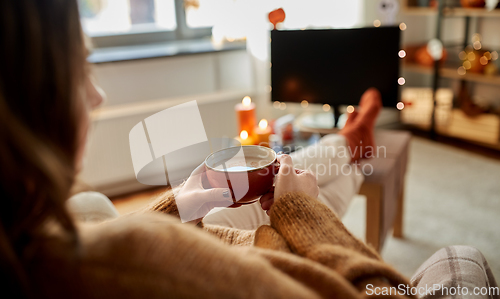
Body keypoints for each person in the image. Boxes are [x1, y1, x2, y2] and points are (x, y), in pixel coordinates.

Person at [1, 1, 498, 299]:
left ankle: (348, 145)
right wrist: (300, 213)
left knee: (282, 175)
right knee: (463, 255)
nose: (96, 96)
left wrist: (179, 203)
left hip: (206, 231)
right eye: (81, 70)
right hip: (269, 256)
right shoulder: (124, 265)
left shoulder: (29, 234)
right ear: (29, 92)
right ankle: (353, 144)